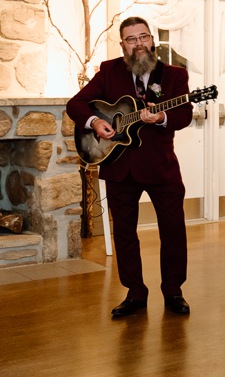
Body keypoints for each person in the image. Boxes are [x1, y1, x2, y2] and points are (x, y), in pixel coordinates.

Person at [67, 16, 193, 317]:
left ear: (153, 40)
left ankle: (173, 290)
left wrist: (161, 118)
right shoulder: (109, 71)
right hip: (118, 164)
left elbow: (185, 115)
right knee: (124, 231)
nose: (139, 43)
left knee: (173, 229)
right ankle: (135, 292)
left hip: (161, 167)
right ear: (123, 45)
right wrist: (95, 121)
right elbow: (76, 104)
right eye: (131, 39)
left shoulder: (175, 75)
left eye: (143, 37)